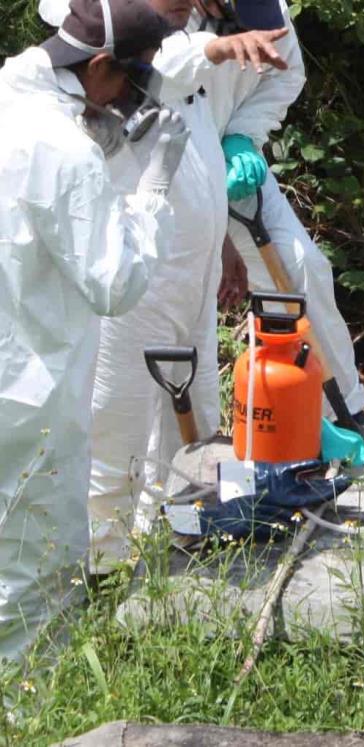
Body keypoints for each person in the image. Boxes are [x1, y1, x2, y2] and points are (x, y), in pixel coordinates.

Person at [38, 0, 291, 576]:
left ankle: (175, 555)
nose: (188, 11)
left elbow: (193, 145)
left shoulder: (182, 37)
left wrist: (222, 239)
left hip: (191, 273)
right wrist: (218, 49)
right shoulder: (115, 46)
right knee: (118, 428)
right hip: (135, 282)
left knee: (195, 424)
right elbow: (166, 70)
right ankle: (100, 570)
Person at [0, 0, 188, 658]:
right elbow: (114, 282)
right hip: (29, 400)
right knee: (34, 575)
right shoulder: (63, 150)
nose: (132, 96)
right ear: (101, 65)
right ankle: (29, 722)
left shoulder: (12, 96)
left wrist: (97, 153)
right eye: (133, 78)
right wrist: (152, 189)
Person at [187, 0, 364, 444]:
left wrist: (241, 135)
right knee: (181, 301)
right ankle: (188, 442)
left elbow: (286, 73)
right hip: (173, 170)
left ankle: (340, 413)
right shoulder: (162, 14)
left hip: (232, 159)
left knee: (300, 264)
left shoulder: (265, 9)